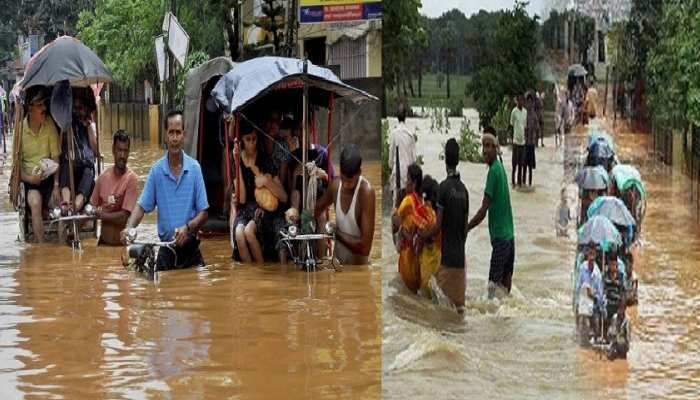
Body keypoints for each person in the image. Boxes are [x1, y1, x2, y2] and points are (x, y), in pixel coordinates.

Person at [121, 110, 209, 269]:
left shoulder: (195, 169)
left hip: (191, 251)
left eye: (178, 133)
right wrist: (129, 228)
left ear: (184, 135)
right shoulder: (157, 171)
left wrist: (187, 228)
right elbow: (141, 207)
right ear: (165, 136)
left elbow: (204, 213)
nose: (174, 138)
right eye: (171, 133)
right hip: (166, 250)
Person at [419, 138, 469, 311]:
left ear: (445, 159)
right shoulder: (464, 190)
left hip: (447, 261)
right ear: (458, 159)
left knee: (442, 313)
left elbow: (437, 226)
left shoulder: (443, 188)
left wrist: (422, 234)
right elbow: (465, 229)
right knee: (459, 311)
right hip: (461, 262)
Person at [467, 128, 515, 298]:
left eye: (489, 146)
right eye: (483, 146)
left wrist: (465, 228)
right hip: (510, 238)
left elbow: (483, 210)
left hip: (501, 239)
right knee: (505, 289)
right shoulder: (500, 168)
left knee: (492, 290)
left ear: (496, 148)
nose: (485, 150)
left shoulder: (493, 172)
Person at [231, 122, 288, 264]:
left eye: (254, 139)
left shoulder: (264, 160)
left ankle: (261, 271)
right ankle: (251, 276)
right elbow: (242, 198)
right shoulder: (237, 162)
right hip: (246, 209)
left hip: (263, 209)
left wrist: (266, 182)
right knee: (239, 233)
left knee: (249, 232)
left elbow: (284, 197)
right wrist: (237, 163)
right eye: (247, 139)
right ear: (242, 141)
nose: (251, 143)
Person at [314, 144, 375, 265]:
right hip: (338, 268)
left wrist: (335, 232)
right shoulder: (335, 185)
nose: (346, 185)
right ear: (340, 171)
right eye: (343, 179)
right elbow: (315, 211)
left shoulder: (366, 193)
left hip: (359, 272)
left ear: (359, 173)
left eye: (350, 181)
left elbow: (365, 248)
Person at [19, 87, 61, 243]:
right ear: (30, 108)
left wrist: (56, 185)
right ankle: (41, 249)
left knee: (61, 206)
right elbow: (16, 171)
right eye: (40, 105)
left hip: (49, 181)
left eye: (45, 104)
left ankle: (63, 246)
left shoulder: (49, 125)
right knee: (35, 204)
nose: (44, 108)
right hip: (31, 183)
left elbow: (56, 158)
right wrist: (30, 179)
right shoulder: (20, 131)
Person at [89, 129, 138, 245]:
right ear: (113, 150)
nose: (122, 155)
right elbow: (92, 207)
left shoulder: (131, 179)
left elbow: (125, 216)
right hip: (103, 243)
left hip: (121, 245)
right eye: (119, 150)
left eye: (125, 151)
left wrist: (102, 215)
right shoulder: (102, 178)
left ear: (129, 152)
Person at [59, 89, 99, 215]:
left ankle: (77, 204)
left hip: (85, 167)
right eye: (75, 108)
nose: (78, 111)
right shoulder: (65, 123)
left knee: (89, 172)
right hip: (68, 164)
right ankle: (66, 205)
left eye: (80, 108)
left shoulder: (87, 125)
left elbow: (95, 151)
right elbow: (58, 147)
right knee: (66, 166)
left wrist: (88, 127)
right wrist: (64, 128)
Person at [392, 163, 426, 293]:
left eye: (408, 179)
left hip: (406, 255)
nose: (406, 182)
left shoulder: (407, 200)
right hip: (417, 258)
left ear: (414, 183)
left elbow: (395, 221)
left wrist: (396, 206)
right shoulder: (420, 201)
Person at [389, 101, 416, 206]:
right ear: (406, 116)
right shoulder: (410, 135)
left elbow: (390, 161)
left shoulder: (393, 134)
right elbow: (414, 160)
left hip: (397, 177)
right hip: (409, 178)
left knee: (396, 208)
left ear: (396, 116)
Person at [603, 255, 625, 338]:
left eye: (614, 265)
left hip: (617, 303)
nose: (612, 267)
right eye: (611, 265)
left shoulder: (620, 276)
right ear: (608, 265)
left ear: (617, 265)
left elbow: (623, 292)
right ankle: (604, 335)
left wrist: (622, 305)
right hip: (607, 303)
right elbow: (603, 290)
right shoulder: (605, 275)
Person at [509, 95, 527, 187]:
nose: (520, 102)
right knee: (514, 163)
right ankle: (513, 182)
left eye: (522, 101)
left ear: (523, 102)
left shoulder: (525, 112)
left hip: (522, 142)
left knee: (521, 163)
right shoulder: (514, 112)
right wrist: (511, 140)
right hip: (515, 141)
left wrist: (526, 138)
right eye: (518, 101)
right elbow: (511, 126)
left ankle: (519, 183)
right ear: (517, 101)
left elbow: (525, 126)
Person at [524, 91, 540, 187]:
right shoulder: (524, 114)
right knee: (523, 166)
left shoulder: (534, 115)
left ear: (532, 103)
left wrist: (536, 141)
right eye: (528, 102)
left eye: (531, 102)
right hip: (524, 143)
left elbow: (537, 128)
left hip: (531, 144)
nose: (529, 104)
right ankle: (522, 183)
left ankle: (529, 184)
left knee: (530, 167)